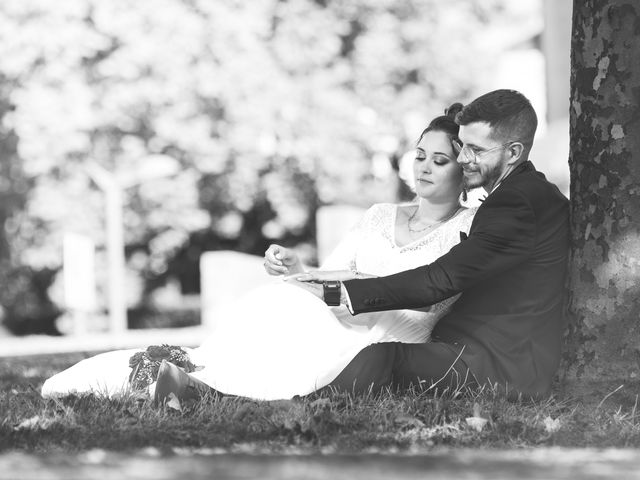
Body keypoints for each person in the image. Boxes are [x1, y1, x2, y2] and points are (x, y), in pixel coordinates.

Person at [41, 104, 477, 402]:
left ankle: (202, 389)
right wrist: (301, 268)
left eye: (439, 161)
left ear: (465, 170)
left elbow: (434, 292)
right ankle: (195, 379)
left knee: (306, 327)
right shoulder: (381, 214)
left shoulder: (469, 229)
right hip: (344, 307)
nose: (423, 166)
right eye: (420, 155)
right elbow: (340, 270)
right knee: (280, 298)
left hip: (389, 334)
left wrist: (356, 296)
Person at [292, 89, 570, 401]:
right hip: (480, 349)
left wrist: (341, 292)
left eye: (476, 149)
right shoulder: (524, 194)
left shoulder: (517, 203)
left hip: (498, 364)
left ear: (514, 152)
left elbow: (442, 279)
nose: (463, 158)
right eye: (463, 146)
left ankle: (303, 407)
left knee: (384, 359)